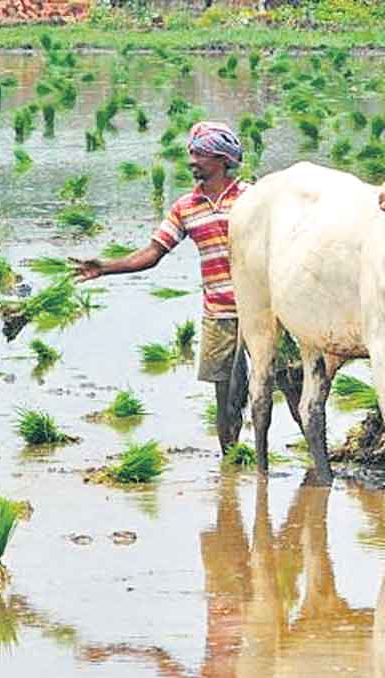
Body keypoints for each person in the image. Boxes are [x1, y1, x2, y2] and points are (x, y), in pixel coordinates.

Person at [70, 121, 249, 455]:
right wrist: (104, 268)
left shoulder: (252, 198)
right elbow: (152, 254)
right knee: (225, 401)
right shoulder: (185, 207)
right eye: (191, 153)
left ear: (222, 159)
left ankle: (315, 457)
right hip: (219, 313)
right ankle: (231, 466)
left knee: (290, 382)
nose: (192, 160)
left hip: (263, 312)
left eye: (200, 154)